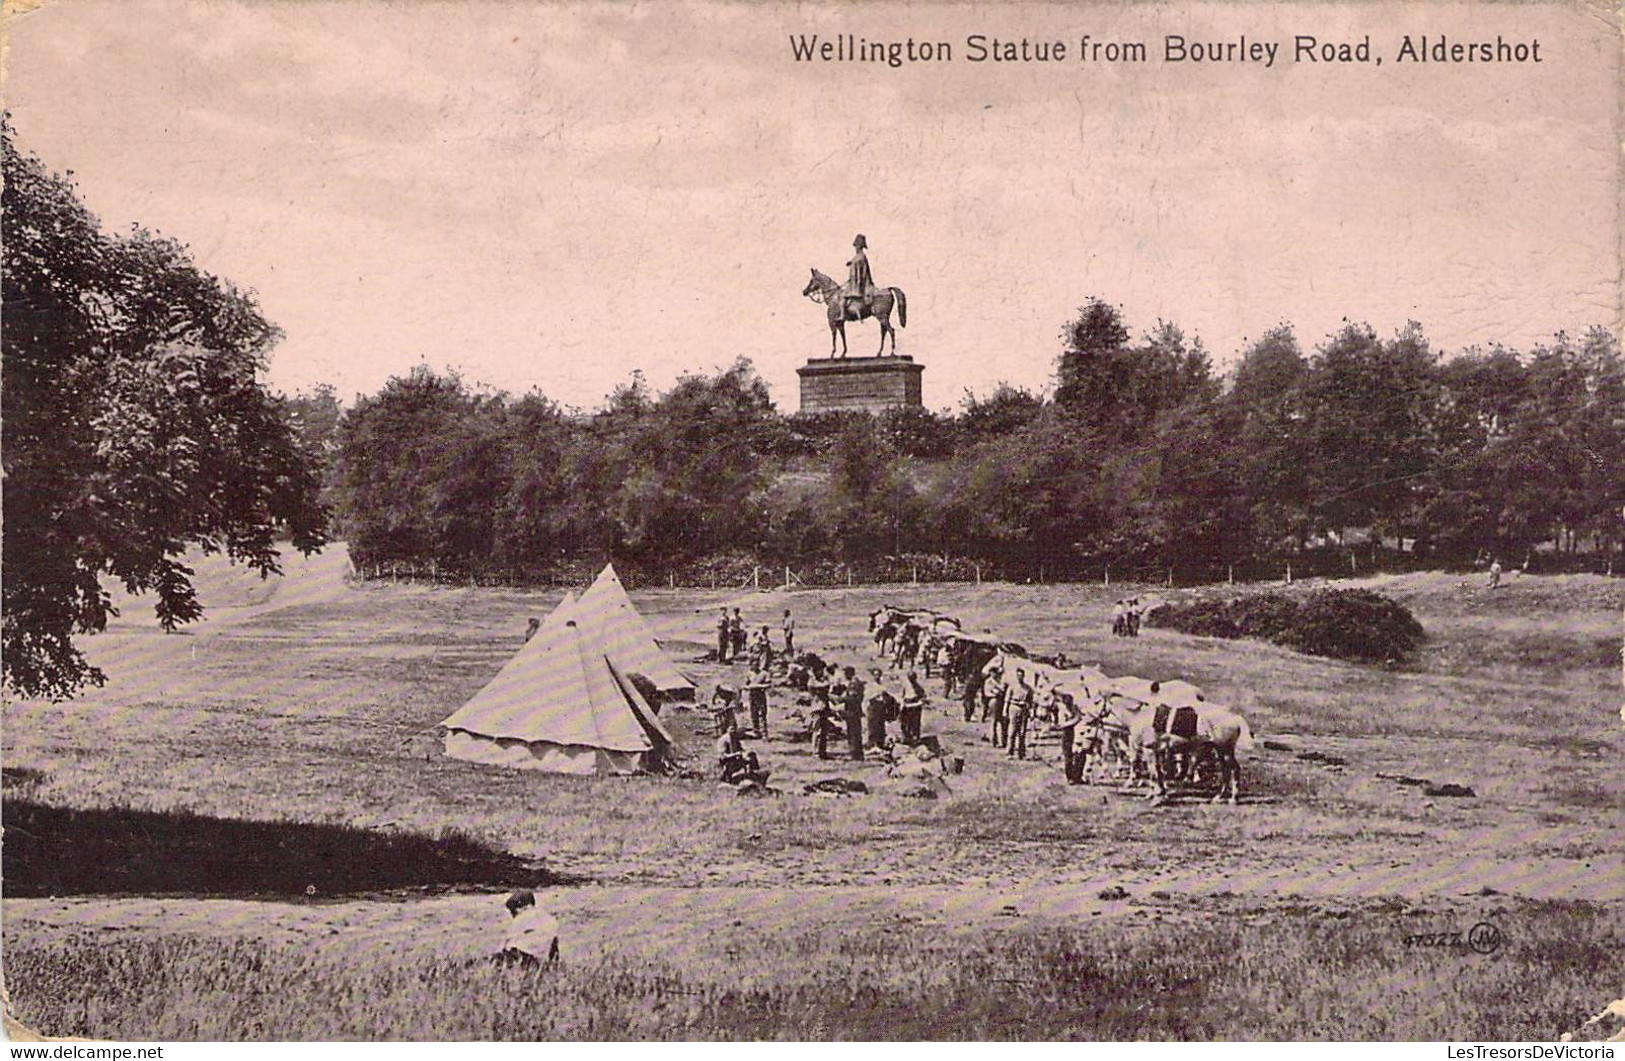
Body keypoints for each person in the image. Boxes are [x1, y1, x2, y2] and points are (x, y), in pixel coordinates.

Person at [499, 890, 560, 966]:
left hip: (525, 957)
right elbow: (554, 945)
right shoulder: (549, 918)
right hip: (541, 958)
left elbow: (508, 944)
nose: (513, 916)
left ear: (522, 907)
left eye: (513, 912)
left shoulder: (522, 918)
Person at [865, 670, 897, 749]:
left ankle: (880, 742)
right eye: (875, 675)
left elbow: (886, 695)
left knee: (880, 724)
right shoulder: (870, 685)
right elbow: (868, 697)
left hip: (881, 707)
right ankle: (872, 743)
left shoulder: (882, 685)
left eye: (878, 675)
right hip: (873, 707)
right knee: (873, 725)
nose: (877, 676)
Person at [845, 233, 874, 319]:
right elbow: (856, 262)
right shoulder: (858, 257)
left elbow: (860, 270)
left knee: (843, 295)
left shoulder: (861, 257)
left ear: (860, 246)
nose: (855, 248)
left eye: (857, 246)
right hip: (854, 281)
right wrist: (851, 262)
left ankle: (844, 314)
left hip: (858, 283)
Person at [1007, 667, 1033, 760]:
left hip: (1024, 709)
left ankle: (1021, 753)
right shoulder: (1012, 686)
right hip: (1014, 707)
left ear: (1024, 676)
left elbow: (1031, 701)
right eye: (1018, 675)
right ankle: (1010, 752)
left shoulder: (1028, 688)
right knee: (1012, 731)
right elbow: (1007, 700)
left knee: (1022, 732)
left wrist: (1031, 712)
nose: (1019, 677)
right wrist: (1005, 711)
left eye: (1021, 675)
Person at [841, 665, 867, 761]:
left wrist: (841, 699)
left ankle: (855, 754)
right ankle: (857, 754)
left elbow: (852, 699)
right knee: (855, 732)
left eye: (845, 673)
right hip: (854, 711)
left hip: (852, 711)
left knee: (853, 733)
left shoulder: (853, 684)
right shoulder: (856, 683)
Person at [900, 671, 927, 745]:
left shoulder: (918, 687)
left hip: (915, 706)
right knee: (905, 722)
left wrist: (919, 703)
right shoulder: (905, 686)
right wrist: (902, 704)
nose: (911, 680)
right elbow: (902, 696)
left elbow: (923, 697)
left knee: (915, 722)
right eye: (910, 678)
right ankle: (906, 737)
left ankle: (916, 737)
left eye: (912, 678)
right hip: (907, 705)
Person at [744, 664, 771, 739]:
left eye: (755, 664)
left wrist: (758, 686)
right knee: (753, 714)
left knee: (762, 714)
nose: (754, 666)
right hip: (752, 695)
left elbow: (768, 685)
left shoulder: (764, 673)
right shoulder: (749, 674)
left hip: (760, 695)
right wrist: (749, 687)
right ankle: (756, 732)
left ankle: (764, 733)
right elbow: (745, 685)